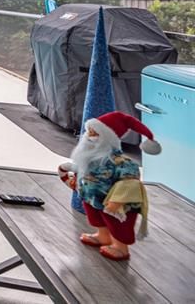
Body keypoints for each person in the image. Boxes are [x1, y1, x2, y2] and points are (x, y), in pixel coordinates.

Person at [58, 111, 161, 261]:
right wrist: (76, 182)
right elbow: (83, 171)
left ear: (108, 138)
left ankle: (121, 248)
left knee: (118, 224)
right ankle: (103, 236)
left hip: (112, 203)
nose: (89, 136)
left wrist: (117, 201)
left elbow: (130, 182)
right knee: (96, 218)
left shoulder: (121, 161)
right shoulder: (90, 158)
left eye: (95, 133)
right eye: (89, 131)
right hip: (93, 198)